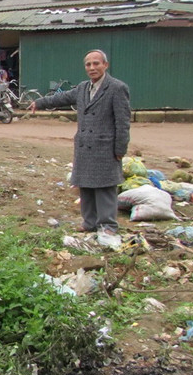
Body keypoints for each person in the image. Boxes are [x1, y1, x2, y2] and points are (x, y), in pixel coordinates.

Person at [29, 49, 130, 235]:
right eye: (88, 64)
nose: (92, 68)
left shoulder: (116, 88)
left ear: (105, 65)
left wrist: (120, 148)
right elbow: (62, 97)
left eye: (96, 63)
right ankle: (89, 222)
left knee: (105, 187)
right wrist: (40, 102)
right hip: (84, 145)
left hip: (105, 147)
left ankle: (108, 225)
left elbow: (122, 122)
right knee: (86, 186)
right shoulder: (83, 88)